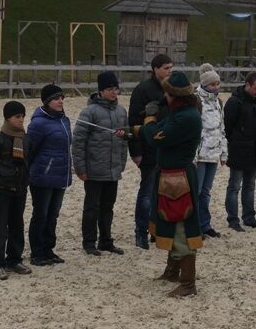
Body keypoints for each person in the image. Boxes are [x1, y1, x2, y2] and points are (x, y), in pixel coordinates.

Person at [132, 70, 203, 297]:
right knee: (172, 224)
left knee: (181, 227)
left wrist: (149, 117)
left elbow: (156, 136)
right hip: (171, 177)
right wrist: (131, 132)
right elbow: (160, 129)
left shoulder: (187, 117)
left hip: (178, 179)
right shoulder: (180, 112)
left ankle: (188, 283)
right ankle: (172, 271)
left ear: (174, 95)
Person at [72, 71, 129, 256]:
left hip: (113, 170)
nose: (114, 92)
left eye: (116, 88)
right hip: (94, 169)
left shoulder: (121, 111)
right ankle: (89, 242)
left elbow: (124, 140)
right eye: (110, 89)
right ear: (101, 90)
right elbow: (78, 142)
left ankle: (106, 241)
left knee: (108, 207)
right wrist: (80, 168)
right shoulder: (89, 112)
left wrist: (121, 163)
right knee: (91, 208)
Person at [0, 101, 32, 280]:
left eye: (23, 116)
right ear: (8, 118)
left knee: (17, 225)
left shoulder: (25, 139)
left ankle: (15, 259)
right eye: (17, 117)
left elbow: (28, 161)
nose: (21, 120)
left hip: (19, 188)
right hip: (2, 189)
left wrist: (24, 180)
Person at [128, 54, 173, 249]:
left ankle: (158, 230)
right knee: (146, 193)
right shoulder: (143, 90)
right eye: (165, 68)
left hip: (167, 149)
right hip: (148, 148)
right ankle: (141, 232)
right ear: (155, 69)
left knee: (163, 194)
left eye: (171, 67)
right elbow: (134, 122)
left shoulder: (172, 89)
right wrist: (136, 151)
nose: (169, 71)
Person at [26, 84, 73, 265]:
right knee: (41, 214)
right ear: (47, 102)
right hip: (42, 177)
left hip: (60, 175)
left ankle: (48, 249)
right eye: (56, 98)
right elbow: (29, 150)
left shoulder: (64, 120)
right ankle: (37, 253)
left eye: (62, 97)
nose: (60, 101)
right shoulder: (38, 123)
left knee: (53, 215)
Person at [224, 71, 256, 231]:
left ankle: (249, 217)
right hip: (238, 149)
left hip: (255, 149)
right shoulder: (234, 102)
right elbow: (227, 127)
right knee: (234, 186)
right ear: (247, 84)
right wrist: (235, 142)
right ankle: (233, 219)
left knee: (250, 185)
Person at [194, 63, 228, 239]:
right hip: (199, 155)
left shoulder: (218, 102)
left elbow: (221, 129)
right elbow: (193, 129)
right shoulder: (196, 100)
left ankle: (205, 225)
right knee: (196, 191)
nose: (215, 87)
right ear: (205, 84)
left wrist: (224, 153)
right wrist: (194, 155)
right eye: (212, 84)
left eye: (217, 84)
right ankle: (194, 227)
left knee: (206, 192)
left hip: (213, 154)